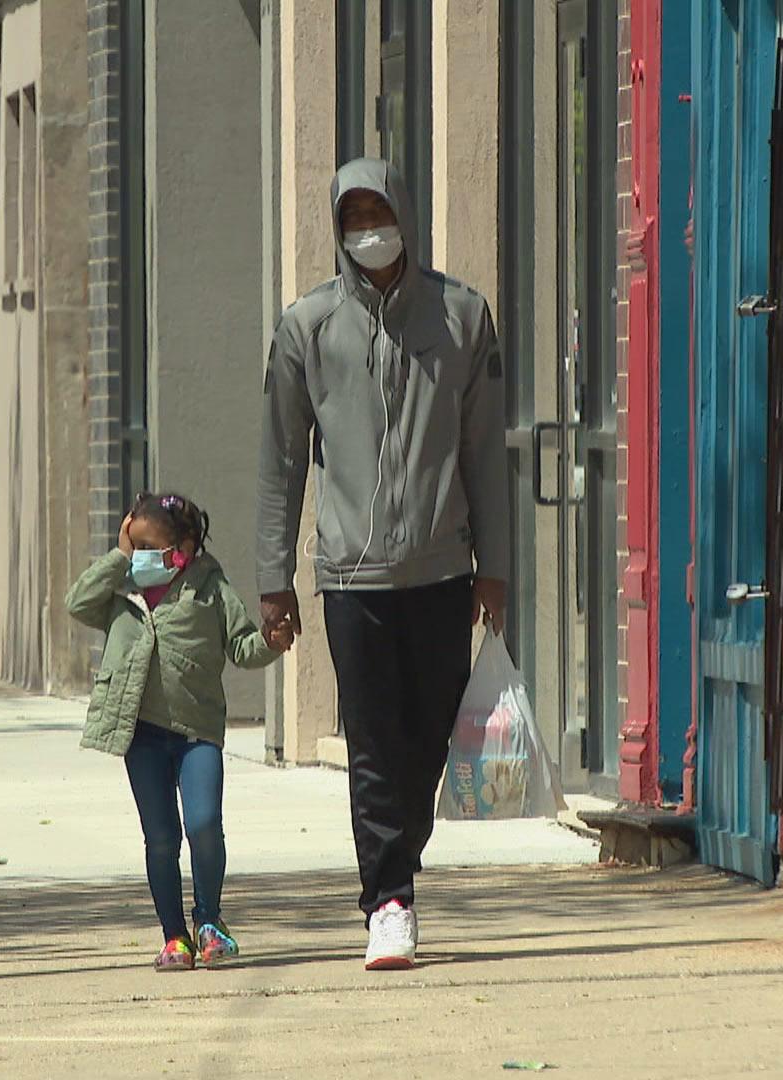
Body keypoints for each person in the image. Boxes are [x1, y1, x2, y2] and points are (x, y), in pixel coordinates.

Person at [255, 158, 510, 972]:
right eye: (353, 214)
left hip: (440, 570)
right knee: (372, 739)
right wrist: (274, 578)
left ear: (405, 211)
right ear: (336, 227)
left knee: (430, 737)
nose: (369, 227)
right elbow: (281, 460)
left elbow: (485, 455)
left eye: (379, 209)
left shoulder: (462, 316)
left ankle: (400, 867)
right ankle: (389, 902)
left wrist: (494, 565)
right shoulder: (309, 327)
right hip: (350, 577)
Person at [65, 491, 287, 972]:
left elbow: (243, 646)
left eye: (150, 547)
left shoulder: (209, 587)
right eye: (134, 544)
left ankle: (210, 920)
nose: (142, 555)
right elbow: (77, 602)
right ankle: (173, 936)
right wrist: (120, 556)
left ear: (183, 548)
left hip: (197, 731)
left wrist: (271, 642)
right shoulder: (121, 588)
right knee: (161, 837)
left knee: (204, 825)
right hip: (140, 733)